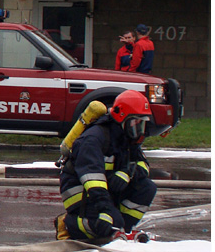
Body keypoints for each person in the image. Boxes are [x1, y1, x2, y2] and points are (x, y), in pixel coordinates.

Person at [55, 90, 156, 242]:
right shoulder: (94, 138)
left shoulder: (126, 137)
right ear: (122, 118)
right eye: (135, 123)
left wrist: (127, 173)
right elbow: (92, 180)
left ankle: (121, 229)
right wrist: (105, 210)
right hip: (82, 190)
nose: (139, 130)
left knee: (147, 187)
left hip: (105, 188)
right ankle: (67, 224)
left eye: (142, 123)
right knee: (101, 226)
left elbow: (143, 165)